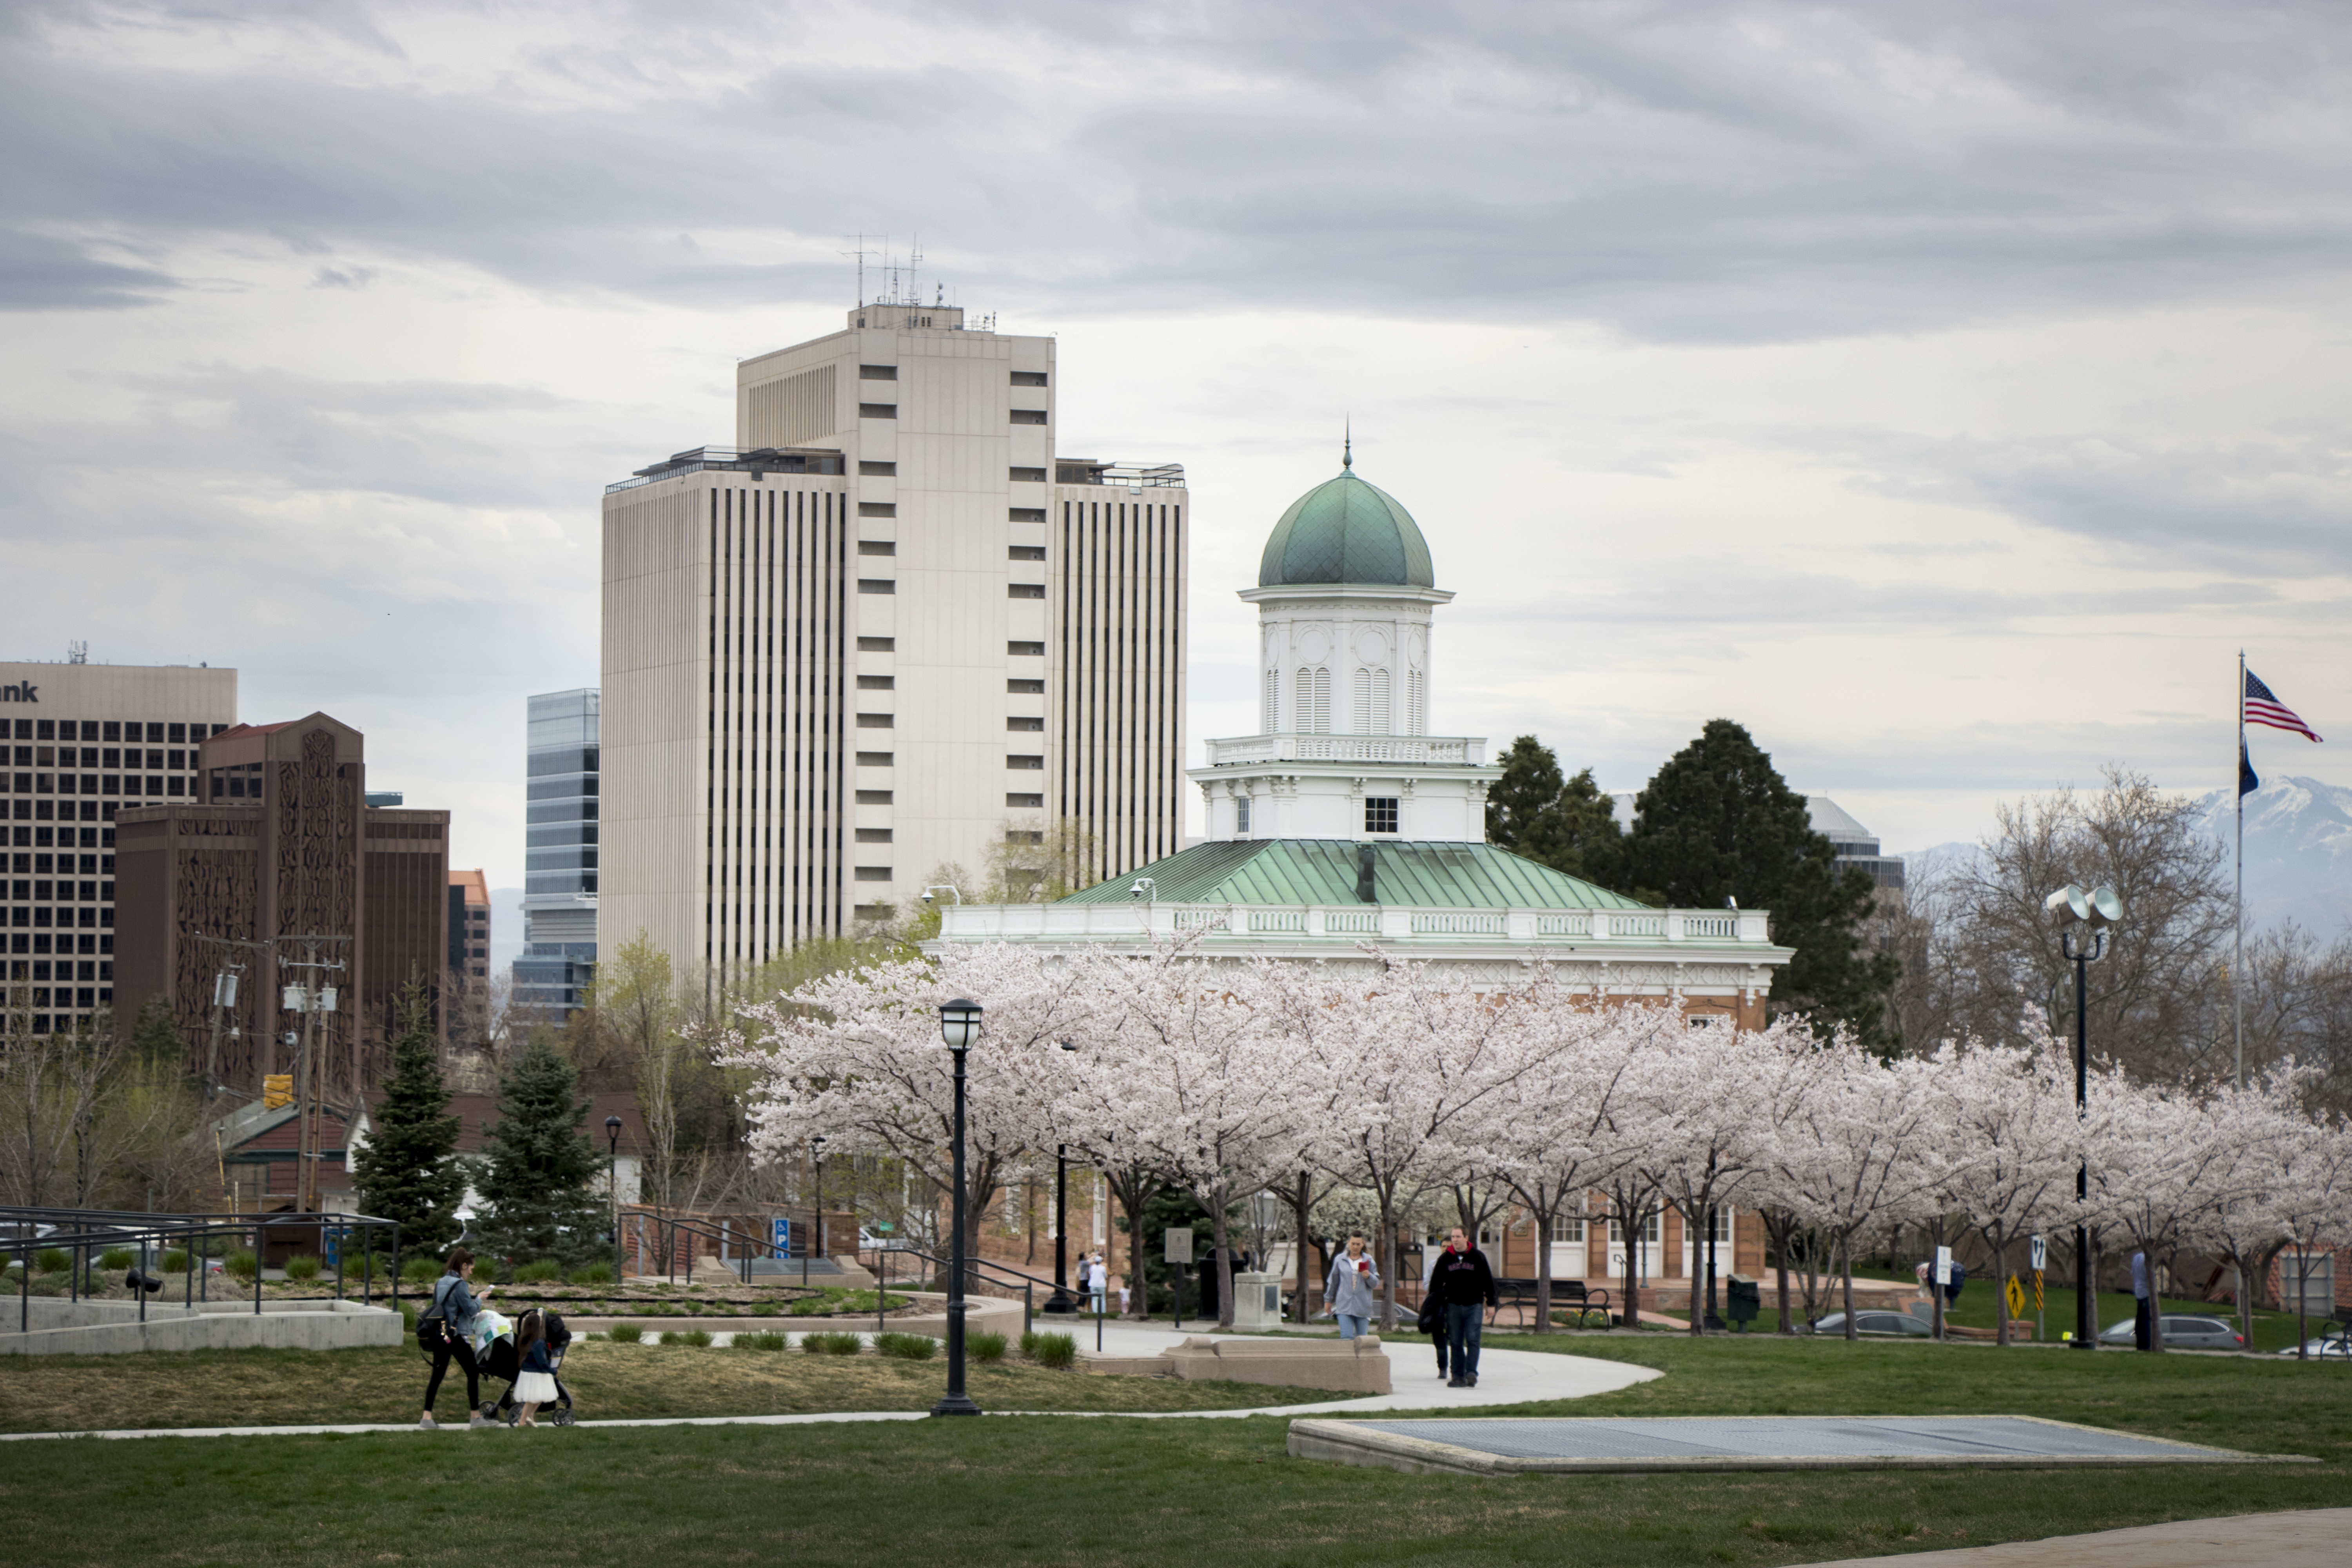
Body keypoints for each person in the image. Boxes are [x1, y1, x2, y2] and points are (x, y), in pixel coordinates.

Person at [420, 1246, 497, 1429]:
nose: (471, 1271)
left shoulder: (441, 1282)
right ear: (463, 1266)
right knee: (472, 1372)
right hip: (454, 1336)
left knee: (437, 1376)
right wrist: (479, 1298)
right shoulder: (460, 1285)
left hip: (442, 1335)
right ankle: (476, 1418)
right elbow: (470, 1311)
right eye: (470, 1268)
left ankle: (426, 1418)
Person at [1427, 1226, 1497, 1388]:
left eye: (1458, 1236)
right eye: (1453, 1237)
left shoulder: (1478, 1257)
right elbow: (1435, 1284)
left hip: (1475, 1305)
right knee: (1456, 1341)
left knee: (1473, 1339)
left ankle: (1471, 1373)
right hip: (1453, 1306)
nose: (1455, 1240)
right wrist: (1434, 1304)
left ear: (1466, 1238)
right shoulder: (1445, 1259)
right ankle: (1457, 1376)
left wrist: (1492, 1304)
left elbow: (1488, 1281)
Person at [1323, 1234, 1381, 1340]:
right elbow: (1333, 1282)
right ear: (1348, 1243)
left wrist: (1368, 1276)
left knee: (1362, 1339)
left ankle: (1359, 1357)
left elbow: (1375, 1283)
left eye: (1358, 1244)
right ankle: (1347, 1357)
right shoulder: (1340, 1260)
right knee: (1346, 1338)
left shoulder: (1368, 1260)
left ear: (1363, 1245)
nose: (1355, 1247)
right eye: (1353, 1244)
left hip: (1363, 1305)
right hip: (1344, 1305)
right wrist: (1328, 1300)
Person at [511, 1308, 560, 1427]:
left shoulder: (525, 1340)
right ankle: (522, 1422)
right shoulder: (538, 1342)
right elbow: (542, 1361)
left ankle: (530, 1417)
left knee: (538, 1397)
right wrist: (552, 1371)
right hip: (537, 1372)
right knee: (534, 1398)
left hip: (527, 1372)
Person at [2132, 1250, 2152, 1351]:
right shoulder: (2146, 1258)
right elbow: (2148, 1274)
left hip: (2138, 1291)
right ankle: (2145, 1344)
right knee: (2146, 1320)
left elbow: (2133, 1273)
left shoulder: (2136, 1257)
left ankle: (2139, 1343)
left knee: (2140, 1319)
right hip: (2146, 1292)